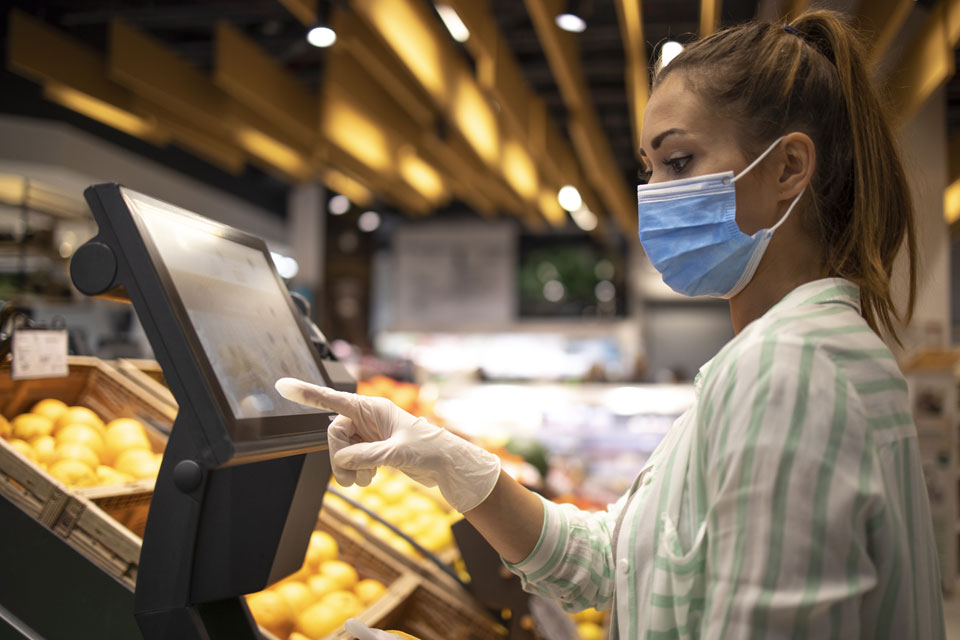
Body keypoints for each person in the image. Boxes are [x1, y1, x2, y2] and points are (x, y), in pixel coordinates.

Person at [276, 10, 945, 639]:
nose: (653, 196)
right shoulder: (788, 359)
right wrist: (445, 460)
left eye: (679, 161)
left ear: (788, 168)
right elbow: (608, 561)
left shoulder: (791, 372)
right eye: (649, 169)